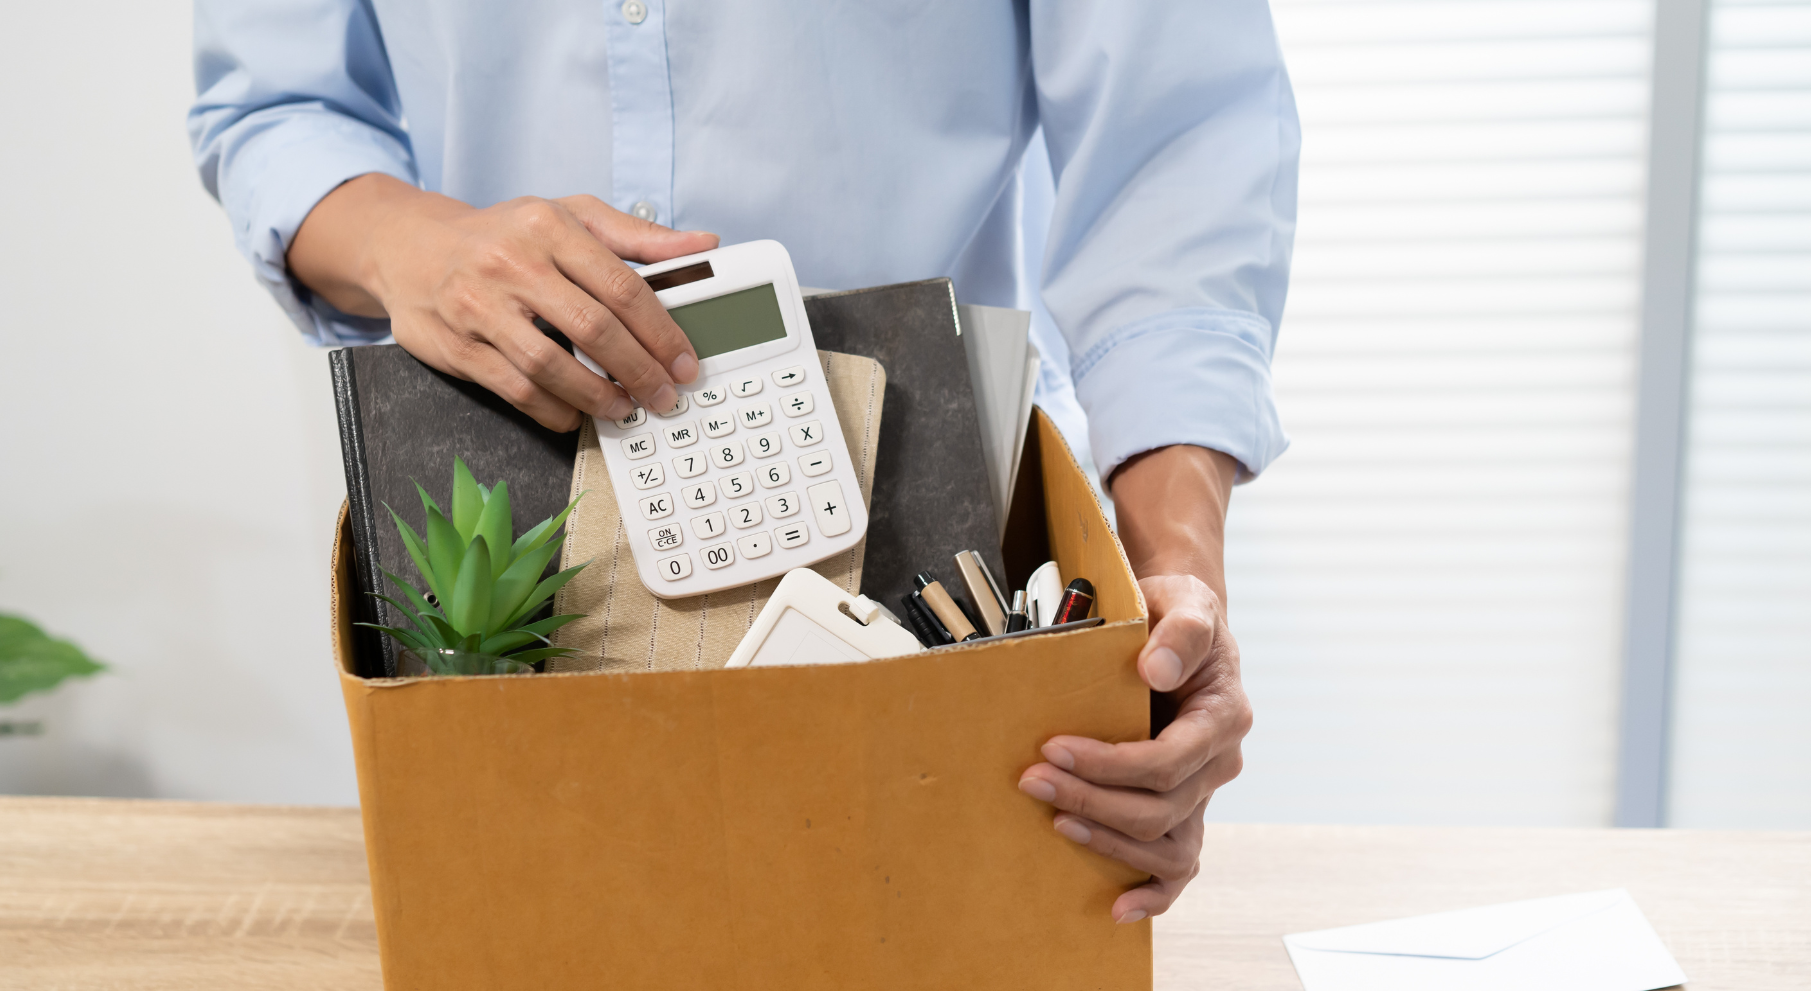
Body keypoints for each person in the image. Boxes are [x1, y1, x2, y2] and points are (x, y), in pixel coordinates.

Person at [190, 0, 1296, 925]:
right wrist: (405, 243)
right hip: (509, 523)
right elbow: (272, 103)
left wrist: (1173, 570)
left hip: (945, 526)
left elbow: (1178, 150)